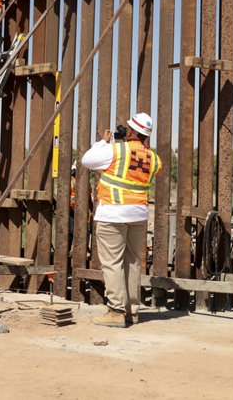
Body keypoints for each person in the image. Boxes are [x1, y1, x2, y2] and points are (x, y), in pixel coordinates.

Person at [79, 112, 161, 328]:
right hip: (138, 215)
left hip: (113, 214)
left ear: (132, 132)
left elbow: (86, 160)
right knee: (133, 262)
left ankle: (115, 311)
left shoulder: (115, 149)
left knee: (112, 262)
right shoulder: (154, 158)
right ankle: (132, 311)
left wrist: (102, 142)